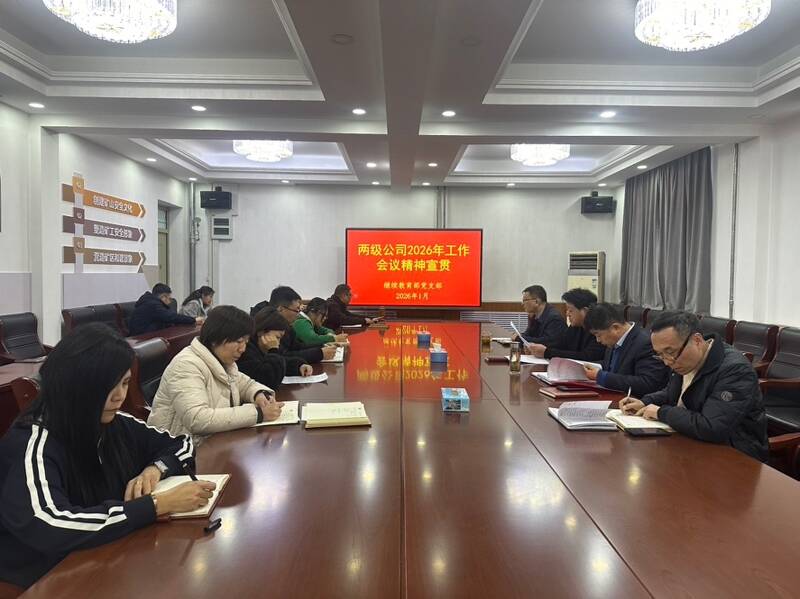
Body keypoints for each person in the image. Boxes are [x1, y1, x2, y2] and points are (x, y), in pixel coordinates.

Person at [0, 323, 216, 589]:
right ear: (74, 385)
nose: (120, 396)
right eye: (107, 386)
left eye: (125, 383)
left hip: (105, 554)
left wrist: (156, 468)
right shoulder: (32, 443)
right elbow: (50, 524)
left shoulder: (115, 422)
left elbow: (181, 444)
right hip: (43, 577)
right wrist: (156, 505)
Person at [620, 311, 769, 461]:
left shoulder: (735, 371)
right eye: (660, 354)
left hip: (735, 456)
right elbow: (674, 392)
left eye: (670, 352)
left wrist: (661, 412)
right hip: (692, 442)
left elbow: (712, 427)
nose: (667, 362)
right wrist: (645, 402)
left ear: (697, 340)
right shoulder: (684, 358)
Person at [147, 305, 283, 441]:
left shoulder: (223, 360)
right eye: (239, 341)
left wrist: (259, 394)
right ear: (215, 338)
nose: (243, 349)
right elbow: (197, 419)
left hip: (212, 441)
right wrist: (258, 413)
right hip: (178, 446)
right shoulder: (186, 365)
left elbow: (245, 384)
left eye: (246, 342)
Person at [583, 302, 669, 397]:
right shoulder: (614, 340)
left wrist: (601, 376)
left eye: (598, 335)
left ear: (615, 328)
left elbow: (647, 383)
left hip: (636, 401)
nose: (598, 340)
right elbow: (612, 366)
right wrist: (590, 366)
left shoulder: (645, 343)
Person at [238, 307, 314, 390]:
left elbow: (282, 360)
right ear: (261, 332)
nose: (278, 342)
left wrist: (299, 366)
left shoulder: (260, 347)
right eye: (277, 337)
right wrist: (273, 350)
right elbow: (269, 381)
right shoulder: (245, 351)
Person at [525, 288, 605, 362]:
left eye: (571, 310)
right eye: (567, 310)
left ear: (585, 311)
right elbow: (560, 345)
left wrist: (547, 352)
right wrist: (535, 349)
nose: (567, 314)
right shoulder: (575, 327)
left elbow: (587, 356)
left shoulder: (598, 329)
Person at [267, 286, 337, 363]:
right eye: (296, 310)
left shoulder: (287, 326)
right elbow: (284, 357)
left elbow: (298, 346)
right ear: (280, 309)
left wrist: (323, 346)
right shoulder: (268, 329)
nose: (298, 315)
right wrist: (319, 354)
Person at [128, 283, 203, 336]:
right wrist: (194, 320)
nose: (170, 302)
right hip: (141, 338)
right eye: (169, 298)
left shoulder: (150, 301)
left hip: (147, 335)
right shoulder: (152, 305)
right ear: (163, 297)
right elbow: (171, 317)